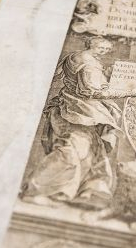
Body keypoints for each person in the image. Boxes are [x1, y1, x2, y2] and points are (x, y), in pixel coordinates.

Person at [22, 37, 124, 207]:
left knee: (92, 149)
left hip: (75, 106)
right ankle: (34, 190)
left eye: (107, 50)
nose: (104, 52)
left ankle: (75, 192)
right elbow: (90, 90)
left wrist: (105, 77)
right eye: (101, 48)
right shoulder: (89, 64)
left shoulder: (75, 56)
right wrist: (128, 91)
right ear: (91, 45)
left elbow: (74, 80)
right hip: (78, 110)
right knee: (70, 151)